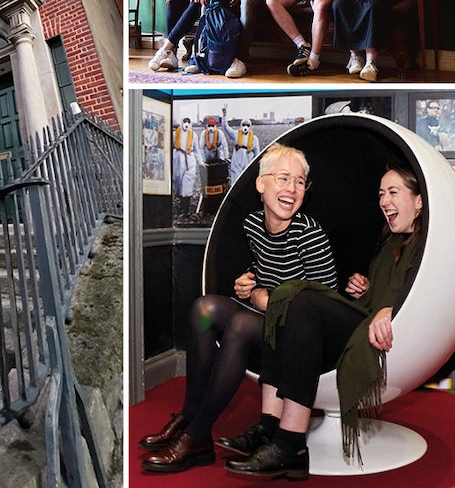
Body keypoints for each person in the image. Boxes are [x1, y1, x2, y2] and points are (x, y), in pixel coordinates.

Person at [138, 143, 339, 473]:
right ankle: (189, 415)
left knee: (242, 326)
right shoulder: (252, 226)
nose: (291, 189)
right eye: (284, 178)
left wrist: (268, 298)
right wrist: (247, 284)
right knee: (204, 308)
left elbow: (326, 305)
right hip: (264, 319)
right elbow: (264, 269)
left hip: (300, 333)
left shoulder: (310, 235)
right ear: (261, 184)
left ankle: (198, 435)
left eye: (300, 182)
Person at [222, 165, 427, 479]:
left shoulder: (425, 246)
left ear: (418, 202)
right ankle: (269, 428)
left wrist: (391, 308)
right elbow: (383, 292)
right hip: (365, 321)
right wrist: (368, 290)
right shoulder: (389, 245)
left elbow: (422, 294)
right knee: (291, 302)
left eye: (394, 192)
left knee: (299, 298)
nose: (384, 201)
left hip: (380, 334)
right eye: (381, 194)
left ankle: (291, 445)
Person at [220, 107, 260, 189]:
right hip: (237, 161)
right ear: (241, 125)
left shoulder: (254, 139)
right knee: (235, 181)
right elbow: (226, 127)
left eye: (248, 125)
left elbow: (257, 154)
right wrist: (224, 116)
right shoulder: (235, 134)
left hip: (247, 161)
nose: (245, 127)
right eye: (244, 125)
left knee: (247, 182)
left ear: (250, 126)